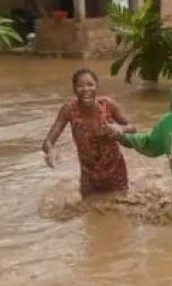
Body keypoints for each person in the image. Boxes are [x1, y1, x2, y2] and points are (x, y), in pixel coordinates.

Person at [42, 69, 136, 197]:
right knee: (88, 214)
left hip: (115, 171)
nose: (86, 89)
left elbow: (132, 127)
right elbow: (48, 141)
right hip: (88, 175)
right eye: (80, 86)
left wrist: (120, 128)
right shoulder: (68, 110)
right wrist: (50, 150)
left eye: (90, 85)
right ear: (74, 90)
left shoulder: (108, 105)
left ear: (97, 86)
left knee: (120, 210)